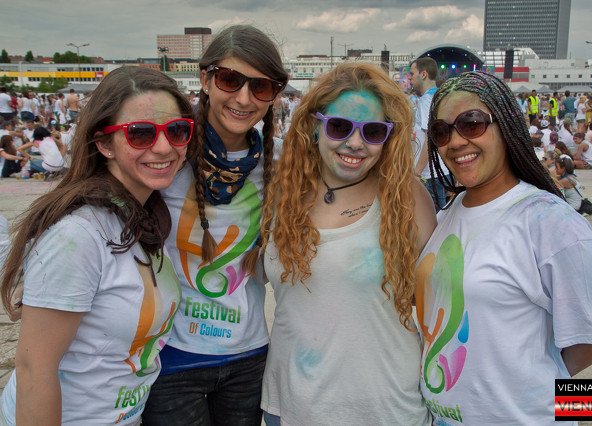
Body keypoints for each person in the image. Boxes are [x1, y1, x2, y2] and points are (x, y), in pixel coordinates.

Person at [417, 71, 592, 424]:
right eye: (441, 131)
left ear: (507, 126)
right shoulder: (450, 210)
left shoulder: (551, 222)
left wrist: (531, 382)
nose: (456, 141)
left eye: (472, 123)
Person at [0, 66, 192, 425]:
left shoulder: (147, 216)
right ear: (103, 144)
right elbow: (33, 369)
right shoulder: (77, 235)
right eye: (140, 134)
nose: (164, 146)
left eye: (177, 130)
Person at [260, 62, 436, 426]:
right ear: (315, 126)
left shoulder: (407, 199)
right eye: (340, 127)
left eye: (373, 131)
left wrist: (553, 404)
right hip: (289, 406)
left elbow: (441, 305)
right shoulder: (283, 193)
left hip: (381, 411)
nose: (355, 143)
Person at [142, 25, 289, 426]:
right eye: (229, 79)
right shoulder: (166, 153)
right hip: (173, 357)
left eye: (261, 86)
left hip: (248, 358)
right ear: (205, 78)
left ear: (275, 94)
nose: (243, 98)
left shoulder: (283, 163)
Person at [410, 56, 450, 210]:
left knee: (433, 218)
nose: (410, 78)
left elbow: (430, 138)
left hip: (431, 174)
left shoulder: (427, 100)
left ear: (423, 74)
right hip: (441, 171)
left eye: (412, 74)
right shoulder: (440, 96)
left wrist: (417, 172)